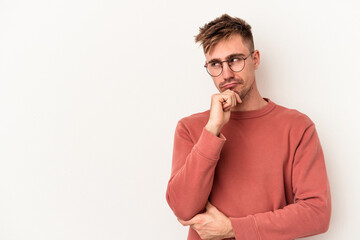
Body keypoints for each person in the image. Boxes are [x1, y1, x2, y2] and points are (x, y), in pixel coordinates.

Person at [165, 14, 331, 240]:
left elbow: (317, 214)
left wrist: (233, 228)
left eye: (234, 59)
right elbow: (183, 208)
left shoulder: (297, 127)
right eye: (215, 64)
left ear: (255, 59)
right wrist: (212, 129)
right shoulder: (191, 128)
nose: (226, 74)